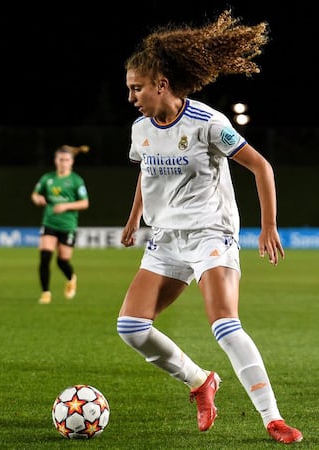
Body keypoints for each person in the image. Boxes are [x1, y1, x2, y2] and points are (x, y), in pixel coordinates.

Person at [117, 10, 303, 445]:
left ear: (161, 85)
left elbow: (261, 167)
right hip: (165, 240)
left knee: (224, 324)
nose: (131, 97)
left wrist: (268, 226)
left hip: (210, 235)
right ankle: (201, 382)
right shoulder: (141, 128)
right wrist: (132, 222)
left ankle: (272, 417)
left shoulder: (208, 123)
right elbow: (145, 175)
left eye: (136, 88)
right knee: (131, 328)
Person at [31, 144, 89, 304]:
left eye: (67, 160)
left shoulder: (76, 180)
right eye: (61, 159)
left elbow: (85, 203)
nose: (63, 162)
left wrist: (66, 206)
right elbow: (35, 194)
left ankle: (71, 278)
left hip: (68, 225)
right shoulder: (48, 178)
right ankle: (45, 293)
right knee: (45, 256)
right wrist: (38, 199)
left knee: (62, 261)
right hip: (49, 222)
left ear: (71, 162)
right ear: (56, 160)